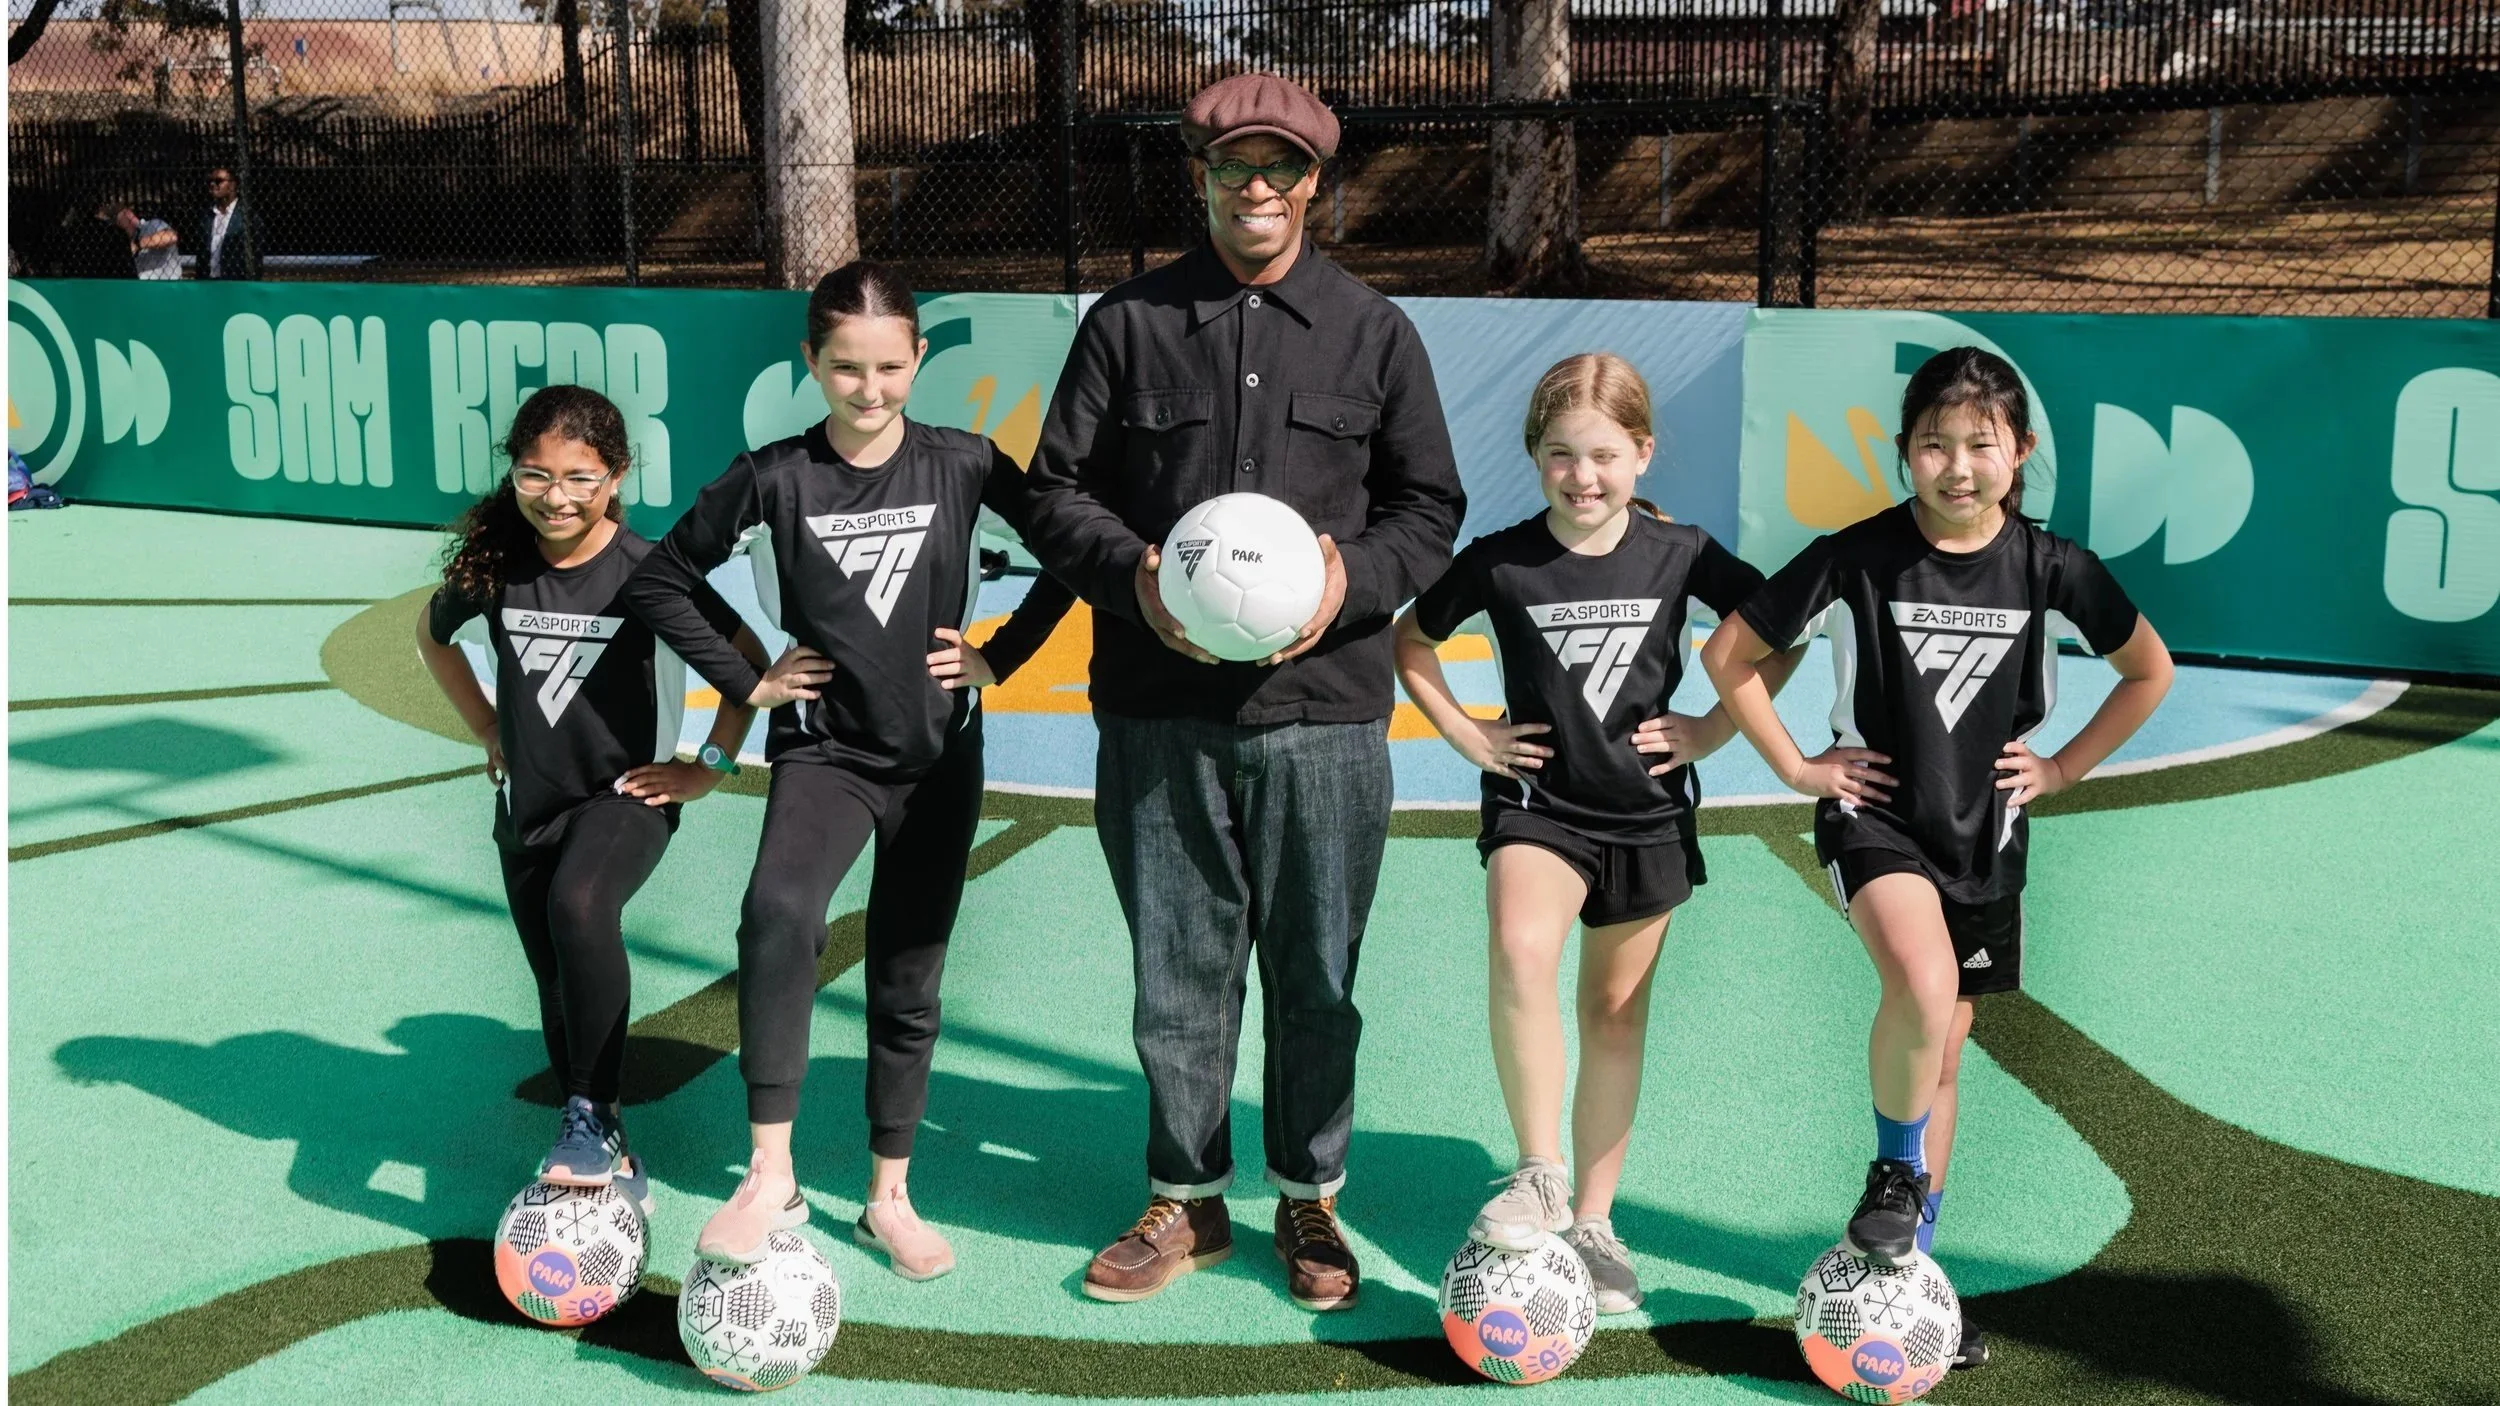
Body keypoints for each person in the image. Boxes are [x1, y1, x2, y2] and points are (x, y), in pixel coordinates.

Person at [1021, 71, 1467, 1311]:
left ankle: (1309, 1197)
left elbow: (1430, 509)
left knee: (1316, 973)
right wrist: (1140, 575)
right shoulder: (1126, 323)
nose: (1256, 187)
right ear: (1202, 178)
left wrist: (1349, 579)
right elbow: (1055, 495)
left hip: (1324, 711)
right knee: (1178, 969)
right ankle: (1186, 1197)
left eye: (1280, 168)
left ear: (1314, 182)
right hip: (1160, 708)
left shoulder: (1376, 331)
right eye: (1234, 168)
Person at [1701, 346, 2172, 1369]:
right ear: (1902, 450)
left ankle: (1910, 1273)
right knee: (1918, 983)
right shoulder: (1859, 554)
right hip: (1876, 819)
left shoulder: (2052, 567)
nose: (1956, 466)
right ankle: (1891, 1175)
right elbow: (1728, 655)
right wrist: (1793, 763)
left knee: (1945, 1046)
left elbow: (2147, 669)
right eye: (1933, 444)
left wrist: (2061, 768)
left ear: (2019, 453)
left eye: (1979, 444)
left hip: (1987, 835)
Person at [626, 261, 1075, 1280]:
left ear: (918, 359)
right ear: (811, 364)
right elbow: (662, 577)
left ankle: (888, 1195)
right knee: (777, 913)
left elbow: (1069, 553)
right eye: (845, 369)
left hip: (936, 756)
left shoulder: (963, 461)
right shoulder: (775, 474)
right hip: (824, 751)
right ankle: (770, 1173)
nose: (869, 390)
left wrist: (1003, 653)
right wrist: (750, 674)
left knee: (908, 969)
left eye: (887, 367)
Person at [1394, 353, 1801, 1314]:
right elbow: (1409, 640)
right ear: (1535, 457)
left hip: (1648, 811)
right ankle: (1538, 1172)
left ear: (1643, 454)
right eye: (1562, 455)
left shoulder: (1685, 552)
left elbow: (1779, 637)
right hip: (1541, 803)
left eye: (1605, 456)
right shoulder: (1501, 561)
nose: (1584, 477)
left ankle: (1595, 1222)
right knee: (1520, 947)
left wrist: (1710, 726)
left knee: (1615, 1017)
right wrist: (1467, 733)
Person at [415, 384, 764, 1201]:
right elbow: (433, 640)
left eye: (579, 477)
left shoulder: (650, 572)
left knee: (581, 907)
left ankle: (594, 1117)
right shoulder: (496, 567)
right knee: (554, 976)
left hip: (625, 798)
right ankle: (590, 1119)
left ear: (617, 476)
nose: (556, 497)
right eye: (535, 476)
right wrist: (489, 727)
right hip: (529, 805)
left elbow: (747, 664)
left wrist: (708, 767)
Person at [199, 167, 260, 281]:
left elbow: (257, 253)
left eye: (218, 181)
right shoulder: (207, 216)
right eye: (210, 181)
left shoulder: (247, 217)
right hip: (209, 282)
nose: (213, 184)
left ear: (232, 185)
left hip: (236, 282)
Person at [93, 204, 180, 280]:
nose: (114, 224)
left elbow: (171, 237)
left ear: (127, 214)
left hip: (166, 287)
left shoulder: (152, 225)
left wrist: (137, 245)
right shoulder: (119, 242)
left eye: (114, 217)